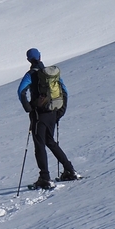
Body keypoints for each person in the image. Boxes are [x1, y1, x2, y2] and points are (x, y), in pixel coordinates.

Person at [18, 48, 79, 189]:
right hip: (53, 112)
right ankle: (69, 170)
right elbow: (65, 91)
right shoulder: (50, 74)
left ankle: (45, 178)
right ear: (40, 57)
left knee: (39, 145)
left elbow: (21, 91)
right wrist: (60, 112)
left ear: (28, 59)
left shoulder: (31, 74)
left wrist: (29, 108)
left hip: (39, 115)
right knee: (50, 142)